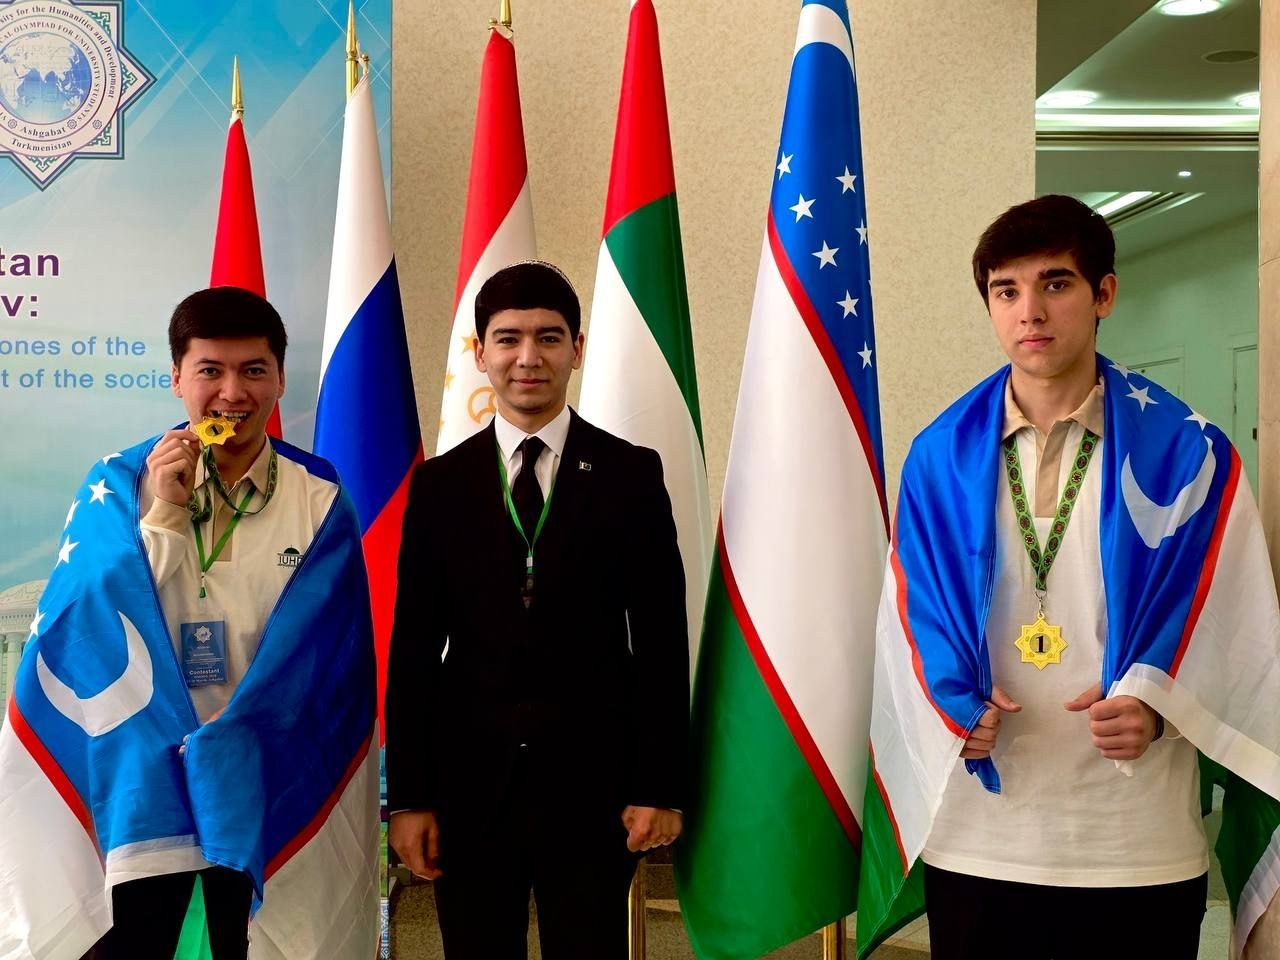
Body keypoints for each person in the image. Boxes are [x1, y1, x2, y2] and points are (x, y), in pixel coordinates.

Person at [861, 195, 1280, 959]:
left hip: (1135, 841)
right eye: (1006, 290)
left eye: (1055, 283)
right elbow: (909, 617)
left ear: (1104, 294)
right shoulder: (938, 457)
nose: (1030, 311)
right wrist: (950, 705)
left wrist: (1159, 707)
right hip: (983, 838)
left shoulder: (1188, 455)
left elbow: (1238, 627)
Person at [0, 286, 379, 960]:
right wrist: (166, 516)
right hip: (141, 784)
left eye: (253, 370)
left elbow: (331, 664)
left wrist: (240, 738)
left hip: (258, 780)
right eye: (210, 370)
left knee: (250, 946)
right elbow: (89, 624)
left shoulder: (319, 497)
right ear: (177, 377)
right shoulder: (119, 483)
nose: (232, 393)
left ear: (280, 379)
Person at [385, 260, 689, 959]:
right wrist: (409, 798)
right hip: (468, 784)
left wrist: (660, 785)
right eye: (509, 338)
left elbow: (661, 640)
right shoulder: (438, 486)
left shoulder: (630, 474)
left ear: (577, 350)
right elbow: (413, 651)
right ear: (480, 352)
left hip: (595, 783)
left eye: (549, 338)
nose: (529, 358)